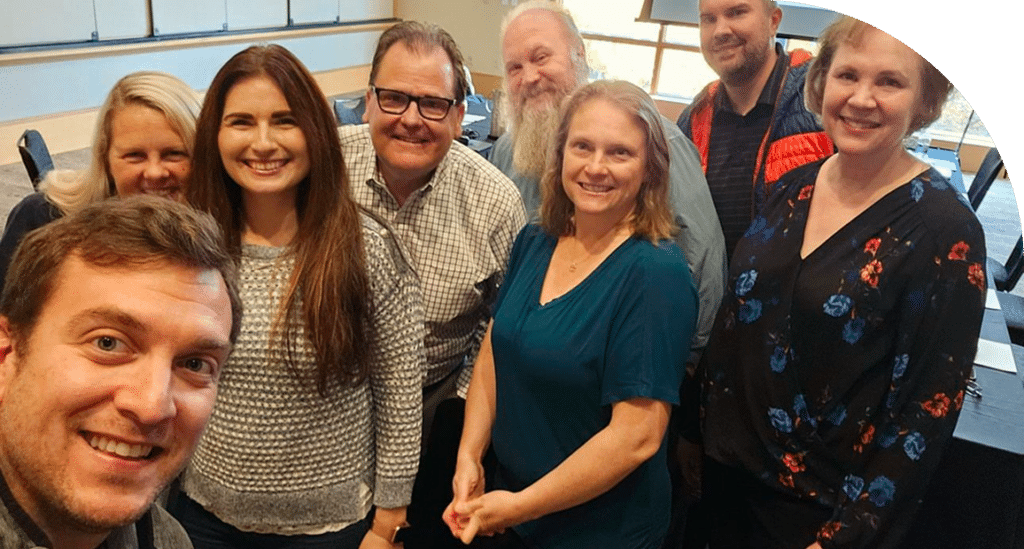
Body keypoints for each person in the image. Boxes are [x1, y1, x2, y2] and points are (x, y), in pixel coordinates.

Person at [697, 16, 985, 549]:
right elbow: (737, 333)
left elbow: (925, 412)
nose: (861, 98)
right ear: (822, 82)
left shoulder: (943, 229)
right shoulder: (792, 189)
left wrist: (845, 538)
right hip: (723, 483)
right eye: (848, 75)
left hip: (818, 513)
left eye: (890, 82)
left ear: (925, 101)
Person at [172, 44, 425, 549]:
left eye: (285, 121)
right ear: (214, 136)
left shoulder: (366, 249)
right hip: (203, 515)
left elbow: (399, 395)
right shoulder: (191, 245)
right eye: (241, 122)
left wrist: (388, 522)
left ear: (315, 131)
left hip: (331, 529)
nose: (263, 143)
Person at [445, 80, 698, 549]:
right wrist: (470, 456)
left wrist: (519, 505)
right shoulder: (536, 239)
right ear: (560, 153)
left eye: (619, 153)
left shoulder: (656, 275)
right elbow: (493, 354)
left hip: (599, 532)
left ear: (650, 169)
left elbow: (636, 437)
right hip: (516, 510)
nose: (596, 167)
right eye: (582, 146)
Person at [340, 21, 526, 547]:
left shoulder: (495, 203)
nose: (411, 120)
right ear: (369, 100)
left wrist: (459, 415)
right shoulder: (322, 167)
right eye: (395, 98)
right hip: (325, 406)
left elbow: (496, 323)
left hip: (435, 410)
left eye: (433, 104)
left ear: (461, 114)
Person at [493, 0, 725, 370]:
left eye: (541, 58)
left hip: (621, 367)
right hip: (524, 357)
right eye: (514, 67)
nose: (530, 77)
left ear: (578, 56)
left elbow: (704, 264)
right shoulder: (507, 153)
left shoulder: (654, 141)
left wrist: (680, 364)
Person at [0, 195, 240, 549]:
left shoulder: (168, 541)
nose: (152, 406)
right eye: (108, 343)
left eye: (194, 364)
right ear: (7, 356)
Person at [0, 71, 201, 289]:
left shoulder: (225, 235)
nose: (154, 172)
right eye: (134, 155)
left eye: (174, 153)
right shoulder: (44, 220)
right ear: (105, 159)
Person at [677, 0, 833, 259]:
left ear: (774, 20)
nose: (720, 31)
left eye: (737, 12)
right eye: (708, 19)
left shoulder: (824, 99)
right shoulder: (694, 119)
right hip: (713, 296)